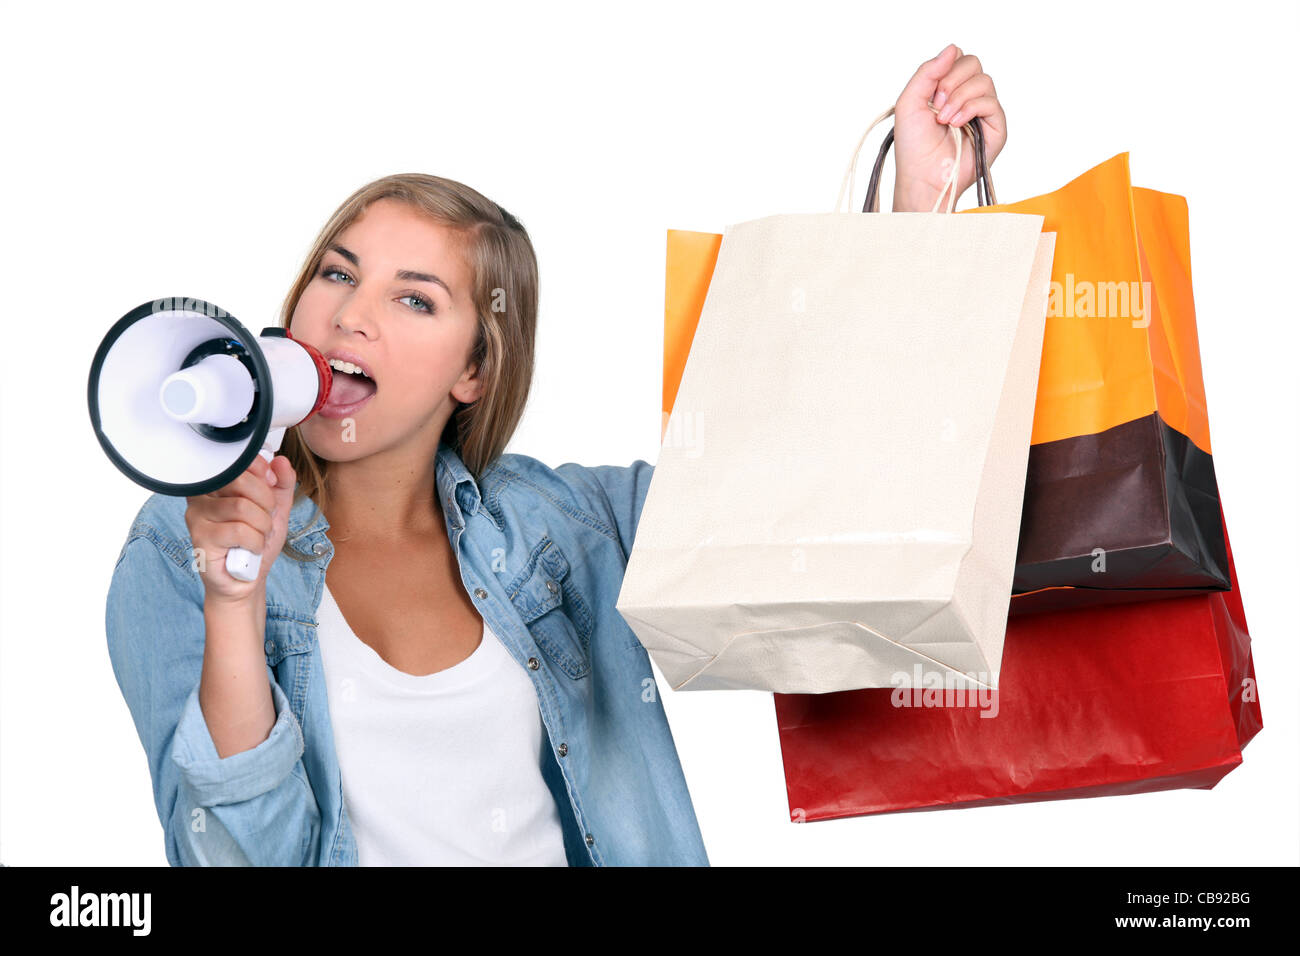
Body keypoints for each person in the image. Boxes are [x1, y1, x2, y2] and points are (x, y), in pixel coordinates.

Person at [104, 43, 1004, 866]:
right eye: (338, 273)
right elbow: (234, 858)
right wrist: (234, 601)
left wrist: (918, 211)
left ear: (474, 369)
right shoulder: (181, 545)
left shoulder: (569, 528)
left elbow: (799, 486)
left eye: (414, 299)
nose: (350, 315)